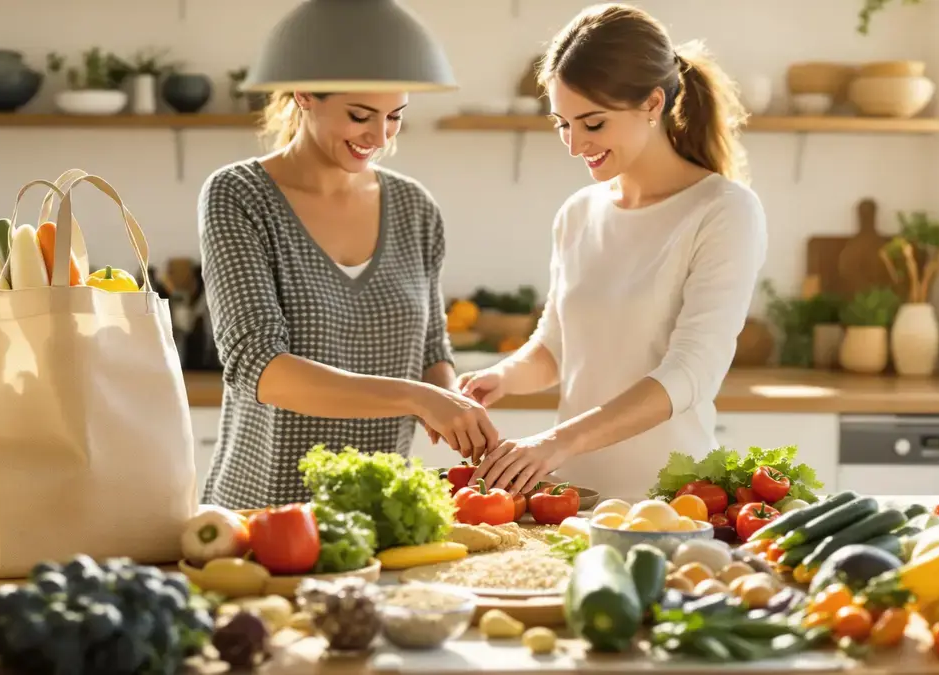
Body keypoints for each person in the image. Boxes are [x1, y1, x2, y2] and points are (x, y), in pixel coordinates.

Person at [461, 3, 768, 502]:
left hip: (673, 505)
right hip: (572, 499)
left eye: (593, 124)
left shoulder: (724, 211)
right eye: (562, 124)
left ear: (651, 103)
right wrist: (500, 377)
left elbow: (691, 371)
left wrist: (555, 441)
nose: (574, 143)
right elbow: (557, 348)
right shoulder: (578, 213)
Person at [198, 90, 497, 509]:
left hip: (376, 513)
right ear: (305, 93)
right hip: (263, 514)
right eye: (360, 115)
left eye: (394, 116)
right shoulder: (239, 195)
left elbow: (430, 348)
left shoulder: (415, 208)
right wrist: (420, 398)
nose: (379, 136)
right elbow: (258, 366)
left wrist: (456, 406)